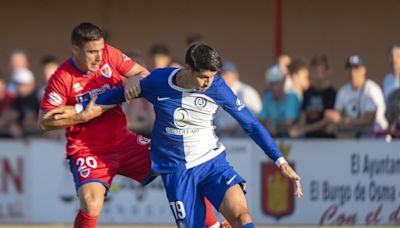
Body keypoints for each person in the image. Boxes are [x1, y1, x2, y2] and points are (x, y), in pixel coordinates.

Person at [49, 44, 303, 227]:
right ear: (188, 69)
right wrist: (80, 110)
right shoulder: (158, 82)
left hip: (212, 163)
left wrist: (279, 160)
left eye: (212, 77)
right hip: (176, 172)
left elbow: (251, 125)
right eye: (203, 77)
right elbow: (114, 95)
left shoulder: (217, 87)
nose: (207, 83)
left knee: (242, 217)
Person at [38, 22, 227, 228]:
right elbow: (45, 121)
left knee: (179, 165)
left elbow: (144, 74)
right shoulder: (62, 77)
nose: (99, 57)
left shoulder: (110, 55)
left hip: (123, 140)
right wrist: (83, 115)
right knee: (91, 204)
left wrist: (131, 80)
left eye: (101, 50)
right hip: (88, 151)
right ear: (76, 49)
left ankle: (213, 225)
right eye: (92, 52)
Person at [325, 55, 387, 137]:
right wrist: (333, 122)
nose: (352, 72)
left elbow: (368, 120)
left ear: (363, 70)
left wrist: (342, 120)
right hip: (357, 139)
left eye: (356, 69)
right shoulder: (343, 91)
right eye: (350, 69)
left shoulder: (371, 89)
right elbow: (336, 114)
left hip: (377, 137)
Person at [289, 55, 337, 138]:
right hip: (309, 141)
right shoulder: (307, 92)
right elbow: (303, 116)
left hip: (326, 140)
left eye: (321, 71)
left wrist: (304, 129)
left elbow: (327, 121)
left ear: (327, 72)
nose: (318, 75)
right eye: (315, 71)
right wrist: (296, 128)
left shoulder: (332, 93)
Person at [215, 61, 262, 137]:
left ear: (235, 76)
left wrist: (235, 126)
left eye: (226, 74)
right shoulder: (217, 92)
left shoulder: (247, 91)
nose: (223, 77)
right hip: (222, 136)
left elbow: (256, 115)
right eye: (221, 74)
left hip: (243, 136)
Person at [260, 65, 300, 137]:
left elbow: (288, 123)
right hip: (275, 141)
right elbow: (263, 119)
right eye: (271, 83)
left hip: (294, 142)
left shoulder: (292, 97)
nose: (274, 87)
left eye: (277, 83)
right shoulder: (267, 97)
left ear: (284, 82)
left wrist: (272, 126)